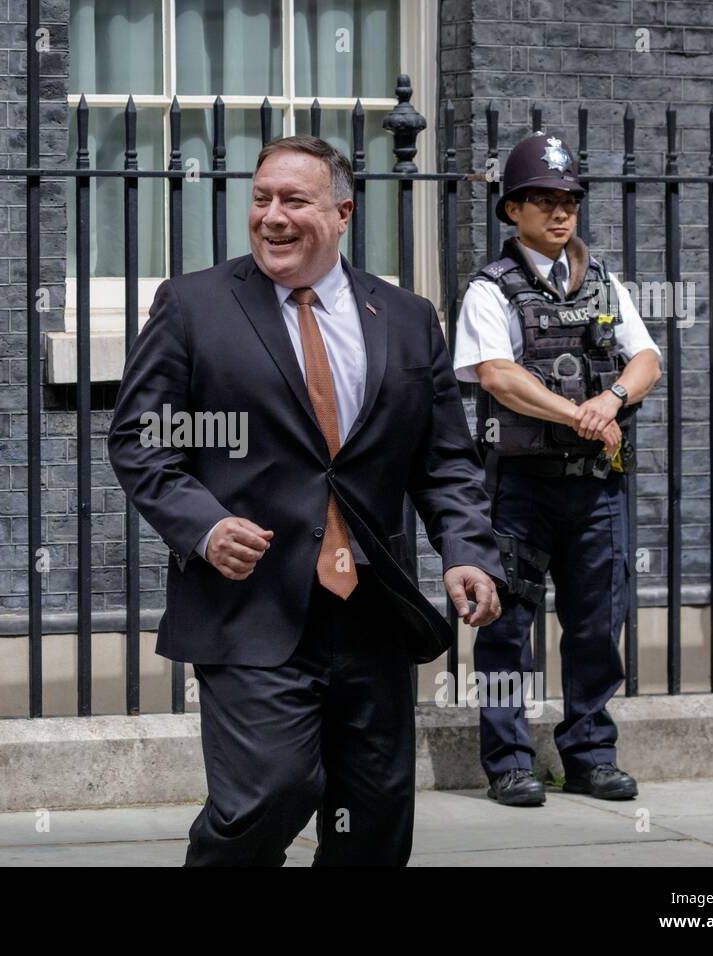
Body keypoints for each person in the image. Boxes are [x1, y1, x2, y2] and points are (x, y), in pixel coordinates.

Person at [109, 135, 504, 866]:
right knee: (269, 794)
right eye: (261, 199)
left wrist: (466, 552)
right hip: (251, 604)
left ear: (343, 213)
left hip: (372, 612)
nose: (272, 217)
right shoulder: (195, 306)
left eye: (294, 200)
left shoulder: (408, 317)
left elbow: (446, 459)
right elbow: (143, 439)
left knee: (374, 823)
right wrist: (205, 526)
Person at [453, 131, 662, 807]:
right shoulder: (491, 289)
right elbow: (497, 375)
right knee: (506, 627)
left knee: (598, 626)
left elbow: (647, 360)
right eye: (542, 199)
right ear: (512, 209)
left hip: (597, 488)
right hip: (520, 488)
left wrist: (611, 398)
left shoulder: (603, 281)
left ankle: (590, 757)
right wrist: (579, 416)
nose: (560, 211)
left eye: (568, 199)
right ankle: (509, 763)